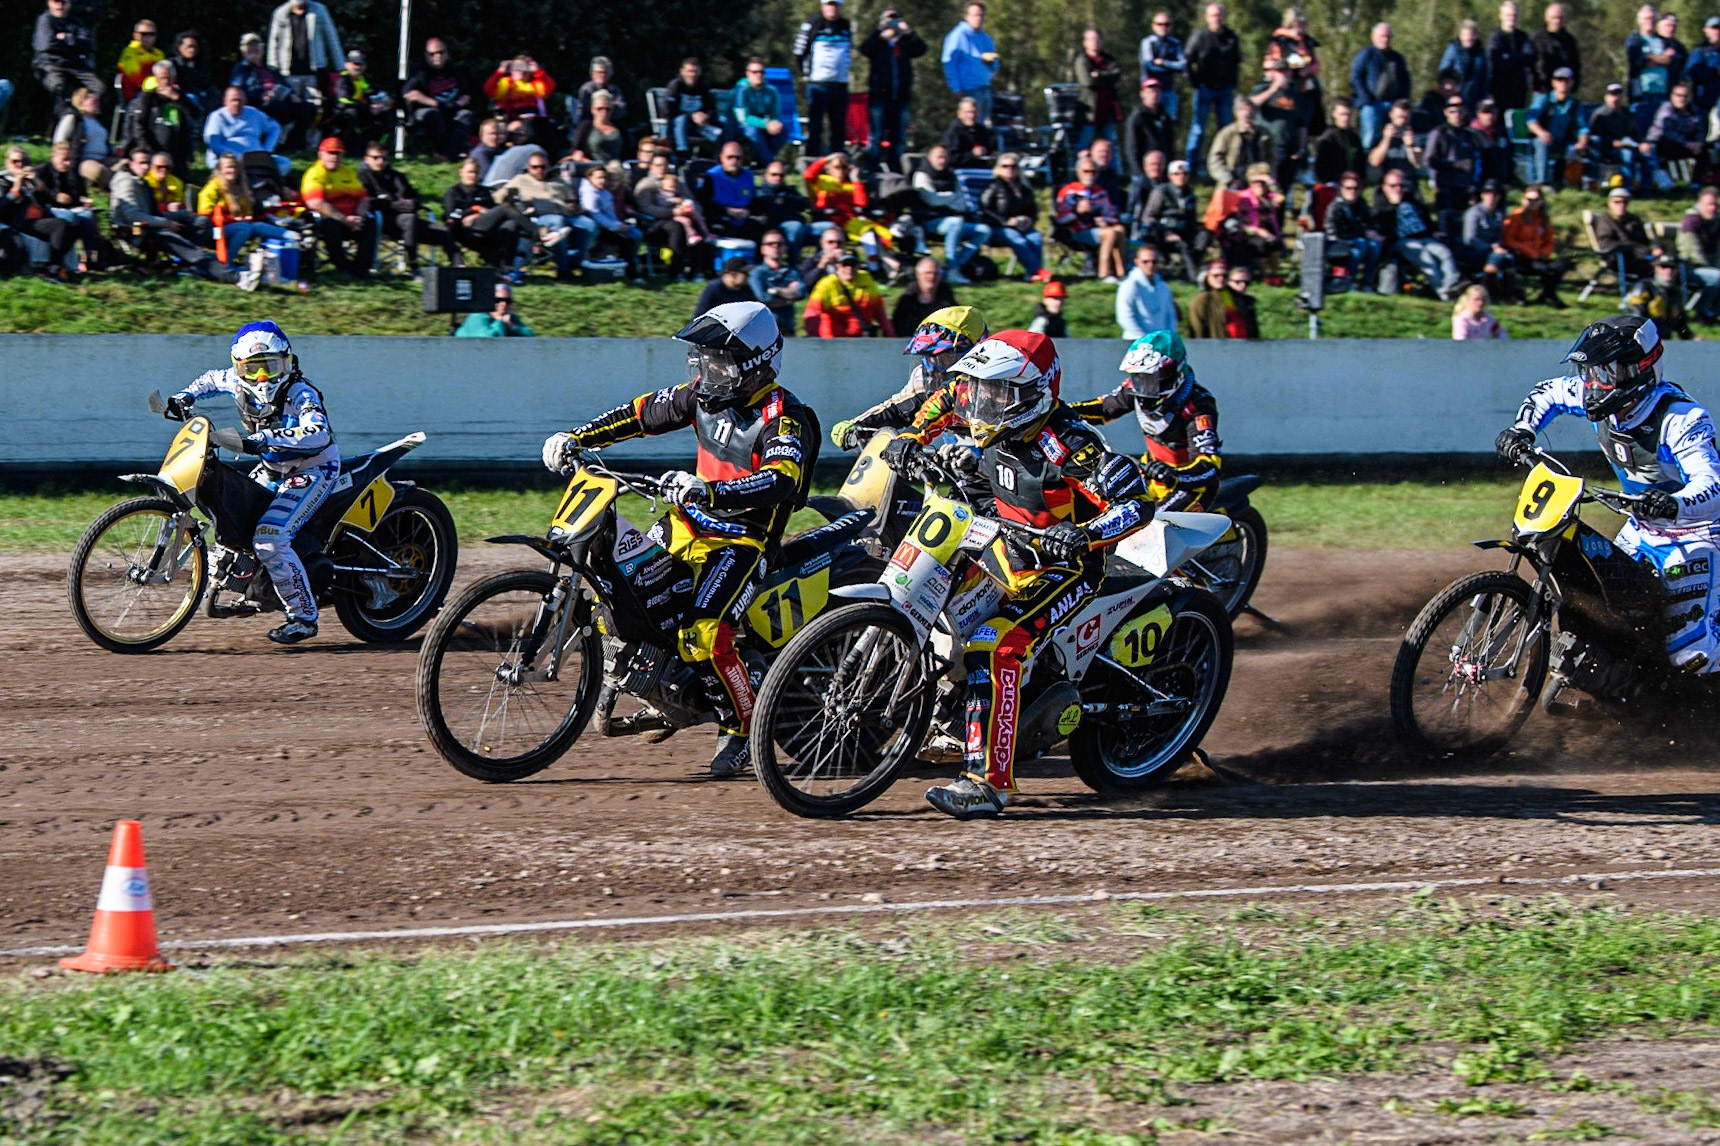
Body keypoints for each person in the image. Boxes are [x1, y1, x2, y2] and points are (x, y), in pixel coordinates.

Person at [881, 330, 1156, 818]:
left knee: (995, 642)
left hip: (1065, 566)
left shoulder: (1069, 444)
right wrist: (909, 439)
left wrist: (1085, 536)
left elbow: (1136, 504)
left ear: (1035, 393)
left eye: (998, 395)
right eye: (983, 391)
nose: (982, 405)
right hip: (1004, 544)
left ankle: (989, 783)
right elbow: (944, 397)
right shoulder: (976, 400)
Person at [542, 301, 814, 775]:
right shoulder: (700, 397)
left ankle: (741, 728)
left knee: (702, 634)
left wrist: (711, 491)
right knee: (622, 592)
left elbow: (782, 480)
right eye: (702, 360)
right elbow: (640, 414)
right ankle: (663, 684)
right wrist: (577, 438)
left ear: (753, 363)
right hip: (685, 526)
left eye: (718, 361)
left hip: (743, 542)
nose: (706, 370)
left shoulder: (785, 416)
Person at [1499, 315, 1720, 675]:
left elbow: (1712, 485)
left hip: (1698, 534)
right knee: (1610, 612)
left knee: (1689, 657)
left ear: (1639, 371)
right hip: (1641, 527)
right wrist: (1522, 429)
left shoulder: (1682, 418)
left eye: (1605, 373)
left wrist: (1675, 503)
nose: (1592, 384)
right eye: (1590, 373)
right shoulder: (1595, 395)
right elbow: (1548, 393)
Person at [165, 323, 337, 644]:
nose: (261, 378)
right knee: (235, 521)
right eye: (252, 369)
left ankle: (303, 617)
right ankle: (254, 586)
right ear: (239, 366)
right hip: (272, 467)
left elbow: (319, 433)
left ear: (287, 363)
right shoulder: (234, 380)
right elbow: (212, 379)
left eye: (270, 367)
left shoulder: (301, 392)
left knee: (269, 538)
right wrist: (184, 396)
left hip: (312, 469)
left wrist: (265, 438)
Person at [1071, 328, 1221, 513]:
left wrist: (1174, 475)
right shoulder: (1135, 390)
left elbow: (1209, 467)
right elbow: (1104, 408)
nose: (1143, 386)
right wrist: (1062, 411)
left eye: (1151, 378)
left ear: (1174, 372)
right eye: (1139, 377)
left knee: (1151, 524)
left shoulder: (1198, 407)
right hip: (1150, 471)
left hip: (1189, 485)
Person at [831, 304, 988, 449]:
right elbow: (899, 409)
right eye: (928, 358)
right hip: (957, 449)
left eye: (943, 358)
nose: (933, 367)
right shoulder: (924, 377)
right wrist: (858, 425)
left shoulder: (991, 381)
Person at [359, 144, 455, 274]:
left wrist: (412, 203)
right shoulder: (362, 176)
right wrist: (394, 205)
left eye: (384, 158)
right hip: (381, 222)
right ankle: (413, 266)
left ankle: (459, 268)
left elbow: (416, 197)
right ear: (366, 159)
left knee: (444, 232)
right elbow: (367, 202)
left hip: (409, 220)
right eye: (376, 158)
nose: (381, 161)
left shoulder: (397, 176)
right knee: (409, 219)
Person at [501, 151, 596, 280]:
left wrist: (573, 205)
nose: (539, 170)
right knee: (558, 222)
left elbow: (571, 199)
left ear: (549, 167)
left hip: (565, 213)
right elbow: (499, 197)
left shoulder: (558, 181)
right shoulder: (520, 180)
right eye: (535, 167)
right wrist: (508, 195)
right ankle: (563, 270)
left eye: (543, 167)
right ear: (529, 168)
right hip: (540, 216)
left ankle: (574, 262)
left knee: (589, 225)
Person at [199, 152, 293, 271]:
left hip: (235, 226)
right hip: (215, 230)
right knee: (245, 228)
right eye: (229, 167)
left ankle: (293, 237)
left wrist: (247, 217)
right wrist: (233, 220)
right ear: (220, 169)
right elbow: (204, 217)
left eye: (234, 167)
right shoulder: (212, 189)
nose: (232, 170)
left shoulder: (240, 187)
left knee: (257, 226)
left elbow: (247, 211)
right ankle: (226, 263)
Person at [1375, 169, 1460, 300]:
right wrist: (1394, 204)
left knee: (1444, 253)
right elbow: (1384, 226)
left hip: (1423, 237)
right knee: (1425, 257)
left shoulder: (1411, 200)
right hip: (1402, 242)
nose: (1398, 189)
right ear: (1384, 187)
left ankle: (1451, 287)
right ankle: (1443, 294)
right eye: (1393, 186)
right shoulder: (1381, 204)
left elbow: (1425, 218)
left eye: (1401, 185)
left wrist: (1434, 231)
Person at [912, 143, 990, 285]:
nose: (943, 161)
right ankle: (953, 269)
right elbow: (930, 199)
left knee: (984, 230)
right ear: (930, 158)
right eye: (939, 157)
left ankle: (955, 264)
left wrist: (943, 198)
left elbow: (962, 202)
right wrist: (950, 197)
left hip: (952, 220)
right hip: (928, 221)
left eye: (945, 157)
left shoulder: (951, 174)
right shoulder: (921, 175)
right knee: (956, 222)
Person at [301, 137, 376, 279]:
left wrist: (359, 217)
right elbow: (316, 203)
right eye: (330, 153)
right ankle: (343, 267)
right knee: (330, 225)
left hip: (352, 219)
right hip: (329, 219)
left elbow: (363, 198)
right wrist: (345, 219)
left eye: (338, 153)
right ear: (321, 154)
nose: (334, 157)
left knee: (370, 223)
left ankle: (361, 269)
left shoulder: (348, 172)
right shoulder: (314, 174)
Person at [861, 9, 926, 171]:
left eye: (895, 20)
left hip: (901, 98)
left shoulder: (904, 44)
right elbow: (865, 49)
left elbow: (921, 49)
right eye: (889, 20)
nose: (892, 24)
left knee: (899, 139)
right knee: (876, 138)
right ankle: (872, 169)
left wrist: (909, 31)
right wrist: (880, 31)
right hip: (879, 97)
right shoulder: (878, 43)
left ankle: (895, 170)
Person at [1185, 2, 1241, 176]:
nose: (1216, 18)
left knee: (1225, 129)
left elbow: (1236, 62)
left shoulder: (1231, 37)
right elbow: (1186, 61)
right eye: (1213, 15)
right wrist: (1195, 82)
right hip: (1205, 89)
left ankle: (1226, 167)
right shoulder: (1199, 37)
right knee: (1198, 129)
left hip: (1225, 89)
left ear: (1223, 17)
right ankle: (1191, 167)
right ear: (1207, 17)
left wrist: (1232, 82)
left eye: (1219, 15)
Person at [0, 147, 74, 280]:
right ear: (7, 162)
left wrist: (39, 185)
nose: (20, 165)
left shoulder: (31, 181)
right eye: (15, 161)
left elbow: (51, 200)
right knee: (60, 226)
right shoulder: (3, 181)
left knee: (73, 226)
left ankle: (56, 266)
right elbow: (2, 207)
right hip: (19, 221)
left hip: (39, 218)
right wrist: (16, 188)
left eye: (23, 161)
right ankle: (53, 267)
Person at [231, 32, 311, 150]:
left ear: (262, 48)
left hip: (280, 99)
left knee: (308, 109)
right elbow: (238, 91)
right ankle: (272, 143)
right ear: (243, 50)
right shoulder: (241, 69)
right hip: (259, 103)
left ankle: (293, 144)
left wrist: (292, 95)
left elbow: (285, 84)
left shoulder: (271, 68)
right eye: (249, 46)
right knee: (279, 108)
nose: (253, 49)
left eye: (256, 45)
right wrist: (261, 96)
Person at [794, 0, 853, 158]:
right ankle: (812, 160)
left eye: (835, 5)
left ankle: (838, 162)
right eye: (829, 4)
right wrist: (808, 75)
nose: (832, 8)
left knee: (838, 128)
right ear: (823, 5)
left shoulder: (845, 25)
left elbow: (848, 51)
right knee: (815, 126)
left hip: (840, 84)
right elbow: (799, 52)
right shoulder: (813, 24)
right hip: (818, 84)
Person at [1055, 156, 1127, 281]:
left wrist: (1104, 220)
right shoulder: (1068, 191)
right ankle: (1104, 274)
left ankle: (1120, 272)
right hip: (1075, 232)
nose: (1090, 175)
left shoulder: (1100, 192)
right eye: (1086, 171)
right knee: (1109, 233)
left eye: (1093, 172)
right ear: (1078, 172)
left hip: (1098, 229)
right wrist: (1077, 212)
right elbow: (1060, 219)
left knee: (1119, 230)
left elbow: (1110, 214)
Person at [445, 157, 524, 270]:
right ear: (461, 172)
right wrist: (473, 209)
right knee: (506, 207)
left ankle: (507, 266)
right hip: (465, 229)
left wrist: (477, 214)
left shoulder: (484, 191)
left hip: (488, 228)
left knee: (511, 224)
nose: (473, 175)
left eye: (476, 172)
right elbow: (451, 216)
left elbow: (491, 211)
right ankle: (537, 232)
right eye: (470, 172)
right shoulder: (454, 192)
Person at [402, 38, 474, 159]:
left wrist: (457, 104)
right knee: (434, 115)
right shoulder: (419, 70)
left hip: (453, 108)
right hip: (427, 110)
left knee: (466, 115)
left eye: (441, 52)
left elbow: (467, 94)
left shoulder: (454, 69)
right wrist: (436, 104)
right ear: (426, 55)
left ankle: (451, 154)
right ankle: (441, 152)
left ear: (447, 53)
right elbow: (408, 93)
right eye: (432, 54)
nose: (438, 56)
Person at [1500, 182, 1567, 307]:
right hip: (1522, 256)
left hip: (1540, 256)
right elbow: (1509, 240)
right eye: (1529, 200)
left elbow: (1549, 240)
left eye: (1536, 200)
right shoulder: (1517, 216)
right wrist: (1530, 252)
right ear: (1523, 200)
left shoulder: (1543, 218)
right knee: (1546, 270)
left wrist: (1545, 253)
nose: (1533, 203)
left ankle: (1547, 294)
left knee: (1560, 266)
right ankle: (1551, 296)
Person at [980, 152, 1045, 279]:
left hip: (1021, 226)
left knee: (1035, 238)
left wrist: (1030, 219)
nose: (1009, 169)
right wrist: (1006, 221)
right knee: (1016, 238)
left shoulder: (1024, 187)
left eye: (1013, 166)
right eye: (1005, 166)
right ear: (999, 168)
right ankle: (1036, 272)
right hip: (998, 227)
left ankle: (1032, 273)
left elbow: (1033, 208)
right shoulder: (994, 185)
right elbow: (985, 208)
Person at [123, 60, 193, 177]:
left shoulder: (179, 96)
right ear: (155, 78)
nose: (165, 82)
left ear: (174, 78)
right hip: (150, 151)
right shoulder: (146, 98)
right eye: (162, 78)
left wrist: (179, 100)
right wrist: (151, 153)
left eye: (168, 78)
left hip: (175, 154)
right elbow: (138, 128)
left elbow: (195, 116)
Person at [268, 0, 344, 107]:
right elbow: (273, 42)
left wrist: (340, 67)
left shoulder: (320, 10)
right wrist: (272, 69)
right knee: (291, 110)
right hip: (289, 74)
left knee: (315, 110)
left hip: (314, 73)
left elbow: (332, 39)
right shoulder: (280, 13)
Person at [1249, 56, 1309, 191]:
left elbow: (1302, 125)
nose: (1282, 75)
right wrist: (1274, 88)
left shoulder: (1296, 96)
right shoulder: (1262, 89)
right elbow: (1251, 104)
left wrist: (1302, 147)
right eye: (1279, 72)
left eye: (1285, 71)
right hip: (1268, 147)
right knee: (1269, 187)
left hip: (1290, 149)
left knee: (1284, 189)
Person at [32, 0, 99, 118]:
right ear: (49, 3)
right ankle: (61, 127)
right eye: (56, 1)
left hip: (75, 66)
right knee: (58, 87)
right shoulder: (45, 20)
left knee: (99, 89)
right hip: (50, 64)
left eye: (64, 2)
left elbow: (88, 45)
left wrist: (67, 38)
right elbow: (46, 45)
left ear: (69, 4)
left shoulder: (76, 22)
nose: (60, 5)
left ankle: (90, 128)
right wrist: (74, 45)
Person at [803, 250, 891, 337]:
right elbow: (811, 313)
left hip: (861, 339)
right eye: (845, 264)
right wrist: (815, 340)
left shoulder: (866, 278)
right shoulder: (826, 284)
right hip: (833, 341)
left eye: (853, 265)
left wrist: (890, 336)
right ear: (837, 266)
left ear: (858, 266)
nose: (849, 268)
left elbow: (879, 311)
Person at [1350, 23, 1411, 149]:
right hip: (1372, 104)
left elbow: (1405, 80)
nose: (1385, 39)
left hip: (1393, 105)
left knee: (1396, 137)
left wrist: (1403, 101)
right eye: (1382, 36)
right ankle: (1366, 164)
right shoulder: (1367, 54)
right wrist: (1365, 97)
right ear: (1373, 37)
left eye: (1388, 36)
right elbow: (1355, 76)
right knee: (1369, 137)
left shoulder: (1397, 58)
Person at [1324, 170, 1383, 291]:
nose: (1352, 192)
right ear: (1342, 188)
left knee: (1375, 245)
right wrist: (1362, 233)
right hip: (1341, 243)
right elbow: (1332, 230)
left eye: (1355, 188)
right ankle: (1348, 281)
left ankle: (1367, 283)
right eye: (1348, 188)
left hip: (1359, 241)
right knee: (1359, 245)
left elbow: (1371, 222)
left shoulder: (1361, 204)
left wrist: (1372, 231)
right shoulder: (1336, 207)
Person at [579, 164, 643, 277]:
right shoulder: (589, 193)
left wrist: (618, 225)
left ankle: (631, 268)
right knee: (627, 242)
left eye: (604, 178)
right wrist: (616, 227)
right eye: (599, 178)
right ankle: (632, 273)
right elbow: (595, 215)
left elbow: (610, 214)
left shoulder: (604, 192)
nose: (602, 181)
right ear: (590, 178)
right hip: (597, 228)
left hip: (609, 226)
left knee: (635, 235)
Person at [203, 87, 284, 174]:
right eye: (233, 100)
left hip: (257, 158)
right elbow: (213, 144)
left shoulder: (254, 113)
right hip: (229, 159)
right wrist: (237, 156)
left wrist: (267, 149)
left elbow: (275, 128)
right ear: (225, 101)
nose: (237, 103)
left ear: (245, 101)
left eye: (240, 100)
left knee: (284, 163)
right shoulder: (217, 116)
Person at [1582, 83, 1647, 188]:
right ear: (1606, 98)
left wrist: (1642, 142)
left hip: (1627, 145)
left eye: (1618, 94)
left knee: (1648, 153)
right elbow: (1594, 138)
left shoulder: (1627, 113)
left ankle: (1647, 187)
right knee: (1627, 155)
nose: (1615, 98)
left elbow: (1635, 133)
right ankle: (1627, 188)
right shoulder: (1600, 115)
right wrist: (1612, 143)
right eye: (1612, 95)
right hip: (1606, 149)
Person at [942, 2, 998, 124]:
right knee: (966, 126)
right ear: (967, 16)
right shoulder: (957, 36)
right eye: (975, 15)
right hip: (968, 90)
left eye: (981, 15)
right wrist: (956, 88)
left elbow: (994, 65)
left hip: (984, 88)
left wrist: (990, 61)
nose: (978, 18)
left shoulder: (985, 38)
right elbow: (949, 63)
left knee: (981, 126)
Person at [1426, 95, 1481, 218]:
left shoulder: (1469, 134)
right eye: (1452, 111)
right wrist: (1454, 165)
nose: (1457, 114)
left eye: (1460, 111)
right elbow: (1430, 160)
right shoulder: (1439, 133)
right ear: (1446, 112)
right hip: (1446, 187)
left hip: (1465, 187)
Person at [1526, 66, 1581, 187]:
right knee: (1541, 142)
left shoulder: (1575, 104)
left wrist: (1582, 141)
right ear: (1553, 82)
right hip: (1544, 140)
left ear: (1572, 82)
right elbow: (1530, 119)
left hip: (1563, 141)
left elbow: (1582, 127)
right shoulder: (1543, 99)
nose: (1563, 83)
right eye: (1559, 79)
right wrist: (1541, 132)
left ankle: (1585, 184)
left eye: (1566, 80)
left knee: (1591, 143)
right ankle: (1542, 183)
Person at [484, 56, 555, 146]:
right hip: (512, 118)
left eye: (524, 67)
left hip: (535, 119)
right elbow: (489, 90)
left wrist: (538, 71)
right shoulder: (506, 83)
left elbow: (549, 88)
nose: (521, 71)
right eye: (517, 68)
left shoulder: (535, 85)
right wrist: (500, 71)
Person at [1074, 26, 1123, 155]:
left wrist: (1098, 75)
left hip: (1107, 110)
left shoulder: (1109, 59)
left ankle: (1113, 171)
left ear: (1101, 41)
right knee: (1084, 144)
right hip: (1090, 112)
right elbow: (1087, 82)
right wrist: (1106, 77)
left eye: (1096, 39)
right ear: (1085, 42)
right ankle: (1083, 170)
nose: (1094, 42)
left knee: (1110, 145)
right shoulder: (1082, 60)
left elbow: (1117, 75)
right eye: (1090, 39)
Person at [1207, 95, 1275, 189]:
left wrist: (1268, 177)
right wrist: (1227, 179)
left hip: (1257, 185)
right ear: (1236, 112)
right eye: (1242, 109)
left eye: (1249, 109)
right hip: (1234, 184)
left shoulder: (1264, 134)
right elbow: (1215, 159)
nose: (1246, 113)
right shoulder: (1228, 133)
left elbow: (1272, 158)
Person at [1595, 185, 1660, 282]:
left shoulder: (1634, 219)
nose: (1621, 205)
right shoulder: (1605, 220)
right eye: (1617, 202)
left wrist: (1655, 247)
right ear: (1609, 203)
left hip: (1642, 255)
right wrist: (1632, 248)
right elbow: (1605, 243)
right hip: (1621, 259)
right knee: (1658, 267)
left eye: (1625, 202)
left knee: (1667, 262)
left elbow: (1645, 240)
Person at [700, 143, 762, 243]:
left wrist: (748, 211)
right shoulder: (712, 176)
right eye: (730, 157)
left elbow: (754, 200)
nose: (734, 161)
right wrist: (727, 210)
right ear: (722, 157)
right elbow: (704, 203)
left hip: (744, 216)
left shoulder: (748, 176)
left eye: (738, 158)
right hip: (720, 216)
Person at [52, 87, 111, 189]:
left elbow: (103, 142)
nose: (96, 101)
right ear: (81, 102)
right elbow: (59, 140)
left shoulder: (99, 122)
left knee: (125, 165)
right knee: (100, 172)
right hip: (84, 159)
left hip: (104, 158)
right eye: (91, 99)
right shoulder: (74, 118)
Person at [731, 58, 787, 164]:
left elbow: (775, 114)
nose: (758, 75)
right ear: (747, 73)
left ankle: (761, 162)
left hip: (764, 125)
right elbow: (742, 118)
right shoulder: (742, 89)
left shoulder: (771, 90)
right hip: (741, 126)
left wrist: (775, 123)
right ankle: (770, 163)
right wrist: (766, 124)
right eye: (754, 72)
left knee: (782, 131)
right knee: (752, 131)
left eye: (761, 72)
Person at [1678, 184, 1720, 323]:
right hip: (1690, 268)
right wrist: (1714, 268)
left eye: (1715, 205)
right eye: (1709, 204)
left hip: (1709, 267)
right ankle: (1702, 311)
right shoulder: (1691, 222)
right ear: (1699, 204)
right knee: (1716, 277)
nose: (1712, 208)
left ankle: (1712, 313)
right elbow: (1694, 252)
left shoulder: (1715, 223)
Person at [665, 57, 722, 158]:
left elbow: (711, 108)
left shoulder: (703, 87)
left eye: (695, 71)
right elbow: (668, 111)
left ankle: (724, 154)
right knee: (681, 120)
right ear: (682, 71)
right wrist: (691, 116)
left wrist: (706, 116)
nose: (692, 75)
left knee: (724, 121)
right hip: (677, 126)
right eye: (689, 71)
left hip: (700, 125)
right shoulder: (675, 86)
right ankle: (683, 154)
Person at [1628, 253, 1694, 341]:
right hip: (1644, 340)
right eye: (1664, 267)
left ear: (1677, 270)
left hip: (1665, 341)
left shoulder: (1677, 292)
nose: (1668, 271)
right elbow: (1636, 317)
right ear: (1656, 269)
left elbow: (1681, 324)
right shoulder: (1644, 287)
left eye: (1672, 267)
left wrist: (1691, 338)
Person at [1648, 83, 1704, 186]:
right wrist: (1687, 143)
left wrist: (1699, 143)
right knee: (1662, 144)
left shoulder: (1694, 110)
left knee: (1705, 150)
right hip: (1664, 143)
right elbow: (1668, 132)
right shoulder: (1666, 109)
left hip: (1686, 144)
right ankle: (1664, 180)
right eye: (1678, 95)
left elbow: (1700, 129)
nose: (1682, 99)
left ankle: (1696, 183)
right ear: (1672, 96)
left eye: (1685, 96)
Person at [750, 230, 805, 335]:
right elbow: (764, 298)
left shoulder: (792, 272)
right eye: (770, 244)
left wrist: (775, 291)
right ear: (763, 249)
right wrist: (789, 295)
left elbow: (801, 293)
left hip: (788, 329)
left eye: (779, 244)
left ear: (785, 248)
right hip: (764, 331)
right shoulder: (757, 273)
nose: (775, 247)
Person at [1116, 244, 1177, 337]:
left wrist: (1168, 337)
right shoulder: (1129, 285)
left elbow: (1170, 316)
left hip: (1161, 344)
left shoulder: (1164, 286)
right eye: (1145, 261)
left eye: (1154, 261)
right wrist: (1145, 339)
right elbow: (1125, 317)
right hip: (1136, 342)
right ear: (1137, 262)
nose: (1150, 265)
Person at [1125, 78, 1177, 185]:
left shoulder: (1164, 116)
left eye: (1157, 91)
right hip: (1144, 172)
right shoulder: (1137, 117)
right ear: (1142, 94)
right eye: (1150, 91)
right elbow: (1132, 147)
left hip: (1162, 171)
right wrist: (1138, 172)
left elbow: (1170, 143)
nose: (1154, 94)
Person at [754, 161, 811, 258]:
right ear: (766, 175)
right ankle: (793, 266)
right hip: (777, 227)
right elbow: (766, 208)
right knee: (795, 227)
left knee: (826, 227)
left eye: (781, 175)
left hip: (799, 224)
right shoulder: (759, 192)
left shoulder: (788, 191)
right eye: (774, 174)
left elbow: (805, 203)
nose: (778, 178)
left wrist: (785, 201)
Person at [890, 257, 958, 335]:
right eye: (928, 273)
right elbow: (897, 325)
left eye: (935, 273)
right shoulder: (907, 299)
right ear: (918, 275)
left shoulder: (947, 297)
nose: (932, 277)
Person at [1487, 1, 1534, 111]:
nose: (1512, 18)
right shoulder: (1495, 37)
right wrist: (1517, 58)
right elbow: (1496, 60)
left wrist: (1509, 57)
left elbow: (1529, 58)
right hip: (1499, 87)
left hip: (1519, 88)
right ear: (1501, 16)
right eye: (1509, 15)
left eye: (1515, 15)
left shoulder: (1523, 37)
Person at [1140, 11, 1187, 120]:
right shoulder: (1147, 43)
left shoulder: (1175, 43)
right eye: (1159, 24)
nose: (1163, 27)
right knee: (1150, 122)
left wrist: (1164, 63)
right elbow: (1149, 65)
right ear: (1153, 25)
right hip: (1151, 92)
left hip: (1168, 90)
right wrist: (1171, 67)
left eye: (1167, 24)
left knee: (1169, 122)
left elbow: (1183, 65)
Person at [1366, 99, 1422, 189]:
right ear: (1391, 115)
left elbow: (1418, 164)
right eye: (1399, 117)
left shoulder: (1415, 138)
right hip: (1387, 185)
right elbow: (1374, 162)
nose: (1402, 121)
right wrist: (1386, 139)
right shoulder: (1380, 138)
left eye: (1404, 117)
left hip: (1408, 184)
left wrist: (1410, 146)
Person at [1440, 20, 1490, 112]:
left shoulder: (1481, 53)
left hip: (1475, 100)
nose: (1469, 38)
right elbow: (1444, 73)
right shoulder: (1453, 50)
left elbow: (1485, 77)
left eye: (1471, 35)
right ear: (1460, 35)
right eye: (1466, 35)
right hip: (1456, 99)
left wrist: (1485, 97)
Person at [1311, 98, 1364, 185]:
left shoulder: (1354, 138)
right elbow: (1320, 167)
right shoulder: (1327, 138)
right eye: (1342, 114)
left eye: (1348, 115)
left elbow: (1361, 162)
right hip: (1334, 184)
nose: (1345, 118)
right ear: (1334, 114)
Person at [1531, 3, 1580, 95]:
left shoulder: (1569, 40)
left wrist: (1573, 86)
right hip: (1542, 90)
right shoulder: (1536, 39)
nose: (1557, 21)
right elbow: (1531, 66)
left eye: (1560, 18)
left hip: (1564, 91)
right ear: (1547, 18)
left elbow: (1575, 65)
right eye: (1554, 17)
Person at [456, 282, 535, 337]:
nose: (503, 304)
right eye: (497, 300)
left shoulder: (510, 318)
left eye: (507, 301)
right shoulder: (477, 316)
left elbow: (531, 337)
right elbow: (488, 343)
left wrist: (511, 326)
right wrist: (499, 321)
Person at [169, 31, 216, 119]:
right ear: (180, 47)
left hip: (201, 94)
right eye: (189, 47)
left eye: (195, 47)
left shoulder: (201, 64)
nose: (192, 50)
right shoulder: (172, 64)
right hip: (183, 97)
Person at [116, 20, 164, 105]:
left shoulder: (159, 54)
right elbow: (135, 78)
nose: (147, 38)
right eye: (143, 34)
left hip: (156, 91)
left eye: (151, 34)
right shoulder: (129, 52)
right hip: (136, 94)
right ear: (135, 35)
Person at [574, 56, 628, 129]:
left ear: (610, 74)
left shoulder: (614, 89)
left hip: (613, 126)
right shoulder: (587, 89)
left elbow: (622, 109)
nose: (602, 75)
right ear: (592, 74)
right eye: (599, 72)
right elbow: (586, 113)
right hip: (591, 128)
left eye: (605, 72)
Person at [573, 91, 625, 164]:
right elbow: (576, 149)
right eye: (600, 108)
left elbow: (628, 150)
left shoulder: (620, 127)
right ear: (592, 109)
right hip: (593, 167)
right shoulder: (585, 127)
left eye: (607, 109)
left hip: (617, 167)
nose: (604, 112)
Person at [943, 96, 995, 167]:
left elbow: (989, 150)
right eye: (968, 112)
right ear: (959, 114)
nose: (971, 116)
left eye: (974, 112)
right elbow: (950, 158)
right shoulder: (954, 132)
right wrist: (972, 154)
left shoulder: (982, 130)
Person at [1687, 17, 1720, 118]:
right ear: (1706, 30)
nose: (1717, 31)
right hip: (1704, 104)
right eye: (1714, 28)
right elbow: (1693, 73)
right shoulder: (1700, 51)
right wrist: (1716, 71)